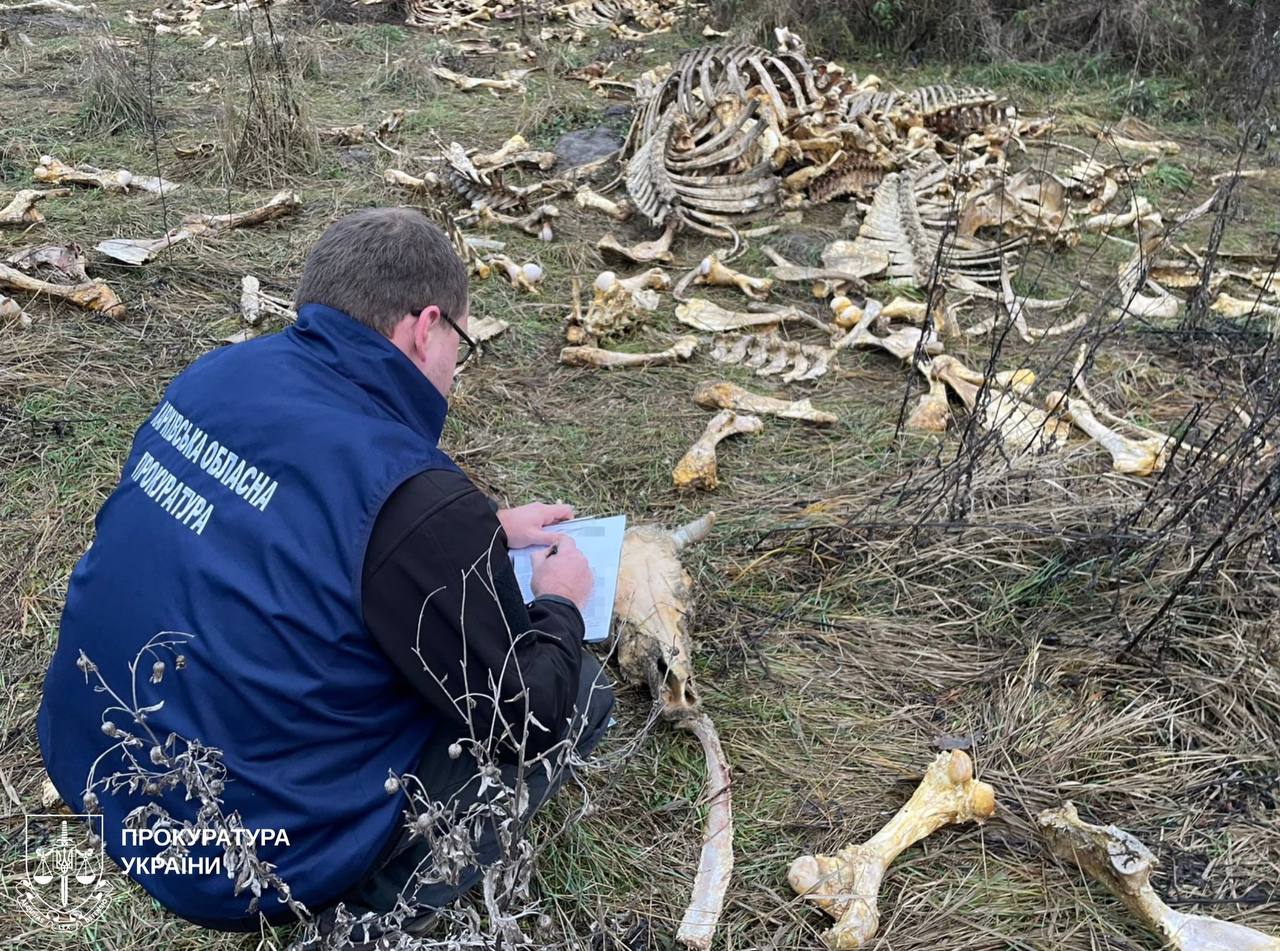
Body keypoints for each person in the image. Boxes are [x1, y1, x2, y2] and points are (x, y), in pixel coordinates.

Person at [36, 208, 614, 935]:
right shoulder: (416, 499)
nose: (453, 368)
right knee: (577, 691)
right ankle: (364, 919)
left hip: (92, 764)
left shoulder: (217, 374)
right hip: (234, 862)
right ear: (424, 327)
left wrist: (482, 534)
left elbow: (276, 522)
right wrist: (560, 603)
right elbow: (523, 716)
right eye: (458, 345)